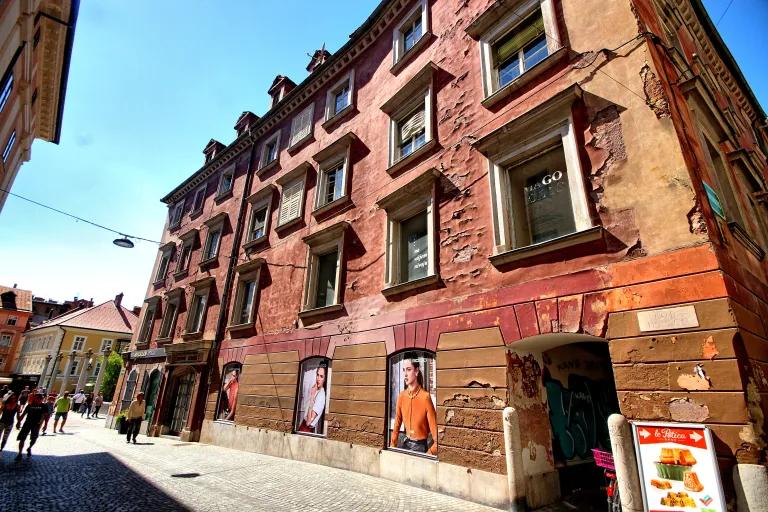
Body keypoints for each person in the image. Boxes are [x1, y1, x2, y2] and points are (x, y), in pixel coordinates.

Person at [390, 355, 438, 455]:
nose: (405, 374)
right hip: (405, 445)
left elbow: (437, 439)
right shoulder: (402, 396)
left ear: (416, 371)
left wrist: (428, 454)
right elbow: (396, 426)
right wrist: (392, 448)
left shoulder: (425, 397)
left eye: (408, 369)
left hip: (421, 448)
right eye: (403, 370)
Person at [16, 393, 48, 460]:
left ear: (40, 399)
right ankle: (19, 453)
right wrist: (18, 422)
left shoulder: (44, 406)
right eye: (34, 398)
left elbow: (46, 416)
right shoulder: (29, 405)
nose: (34, 399)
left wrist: (45, 425)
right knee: (22, 438)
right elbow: (23, 414)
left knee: (34, 438)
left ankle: (29, 447)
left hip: (36, 424)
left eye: (36, 398)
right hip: (27, 423)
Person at [298, 365, 327, 434]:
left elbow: (308, 422)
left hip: (307, 430)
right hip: (303, 427)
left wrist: (312, 396)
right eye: (317, 375)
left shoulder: (321, 396)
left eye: (321, 376)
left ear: (325, 379)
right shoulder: (316, 390)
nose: (318, 379)